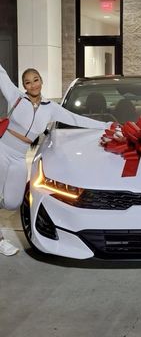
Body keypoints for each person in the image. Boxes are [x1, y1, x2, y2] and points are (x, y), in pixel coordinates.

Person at [0, 64, 109, 256]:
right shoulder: (16, 97)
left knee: (12, 202)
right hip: (2, 149)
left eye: (36, 80)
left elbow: (76, 119)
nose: (33, 85)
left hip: (19, 157)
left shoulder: (50, 108)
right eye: (28, 82)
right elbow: (1, 74)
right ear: (23, 85)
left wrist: (106, 126)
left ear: (41, 81)